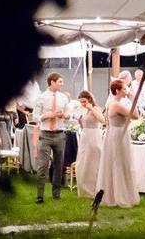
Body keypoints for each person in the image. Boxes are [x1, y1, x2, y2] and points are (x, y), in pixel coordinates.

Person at [96, 79, 140, 207]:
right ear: (117, 91)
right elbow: (136, 115)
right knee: (119, 163)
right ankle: (119, 195)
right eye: (124, 89)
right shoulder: (116, 105)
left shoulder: (115, 104)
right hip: (118, 135)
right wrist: (133, 99)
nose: (127, 91)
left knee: (119, 162)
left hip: (118, 134)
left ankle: (116, 193)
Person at [33, 73, 71, 203]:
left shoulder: (64, 97)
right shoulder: (41, 98)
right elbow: (35, 117)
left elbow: (69, 114)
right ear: (52, 82)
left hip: (60, 134)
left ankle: (56, 194)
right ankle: (39, 196)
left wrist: (66, 115)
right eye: (60, 81)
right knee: (42, 166)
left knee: (59, 165)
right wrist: (47, 115)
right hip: (45, 135)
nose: (62, 84)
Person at [76, 90, 104, 198]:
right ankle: (84, 188)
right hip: (85, 137)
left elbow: (102, 120)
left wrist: (91, 108)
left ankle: (94, 189)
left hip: (94, 137)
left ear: (89, 99)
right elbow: (84, 125)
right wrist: (80, 121)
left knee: (94, 164)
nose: (83, 104)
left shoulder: (95, 108)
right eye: (81, 102)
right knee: (83, 163)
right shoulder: (84, 111)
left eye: (84, 101)